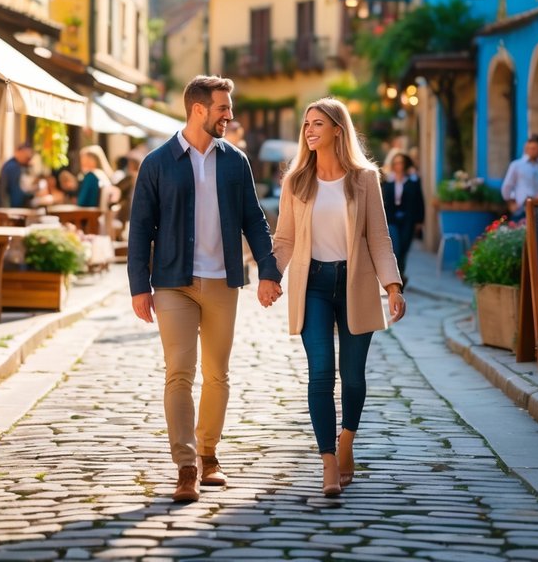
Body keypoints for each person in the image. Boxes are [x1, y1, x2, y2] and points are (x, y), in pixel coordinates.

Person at [128, 75, 281, 503]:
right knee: (179, 372)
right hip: (173, 283)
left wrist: (269, 270)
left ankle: (210, 453)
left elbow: (254, 219)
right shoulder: (157, 163)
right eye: (222, 109)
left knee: (217, 374)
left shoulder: (235, 161)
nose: (230, 116)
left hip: (222, 281)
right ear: (199, 109)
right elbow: (140, 228)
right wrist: (139, 286)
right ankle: (186, 466)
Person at [263, 98, 406, 497]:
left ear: (337, 131)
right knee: (321, 372)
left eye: (318, 124)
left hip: (356, 283)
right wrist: (270, 276)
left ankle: (347, 441)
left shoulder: (364, 179)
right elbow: (286, 239)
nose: (309, 131)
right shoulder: (296, 181)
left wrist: (392, 286)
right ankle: (327, 461)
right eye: (306, 124)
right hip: (314, 287)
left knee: (354, 377)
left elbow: (378, 236)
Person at [381, 151, 424, 284]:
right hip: (392, 219)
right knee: (396, 249)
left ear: (405, 165)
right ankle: (396, 279)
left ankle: (401, 275)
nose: (398, 165)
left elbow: (419, 201)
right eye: (396, 163)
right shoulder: (388, 181)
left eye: (401, 163)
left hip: (407, 220)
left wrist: (419, 221)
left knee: (404, 249)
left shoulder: (412, 181)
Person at [500, 134, 538, 221]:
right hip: (521, 209)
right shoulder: (517, 165)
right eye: (528, 148)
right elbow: (507, 186)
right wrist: (510, 204)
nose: (530, 151)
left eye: (534, 148)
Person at [0, 142, 33, 208]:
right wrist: (30, 194)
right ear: (20, 152)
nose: (28, 160)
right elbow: (16, 194)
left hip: (7, 206)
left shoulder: (11, 164)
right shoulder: (13, 167)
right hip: (11, 208)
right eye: (27, 157)